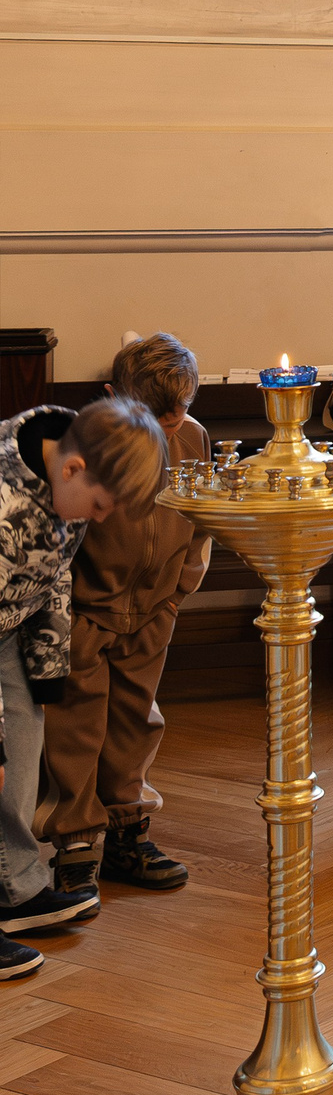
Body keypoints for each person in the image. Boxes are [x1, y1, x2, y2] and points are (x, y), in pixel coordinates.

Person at [43, 334, 211, 902]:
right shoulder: (91, 446)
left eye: (181, 410)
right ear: (114, 396)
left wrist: (176, 592)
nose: (169, 425)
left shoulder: (193, 439)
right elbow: (60, 538)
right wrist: (67, 613)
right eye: (154, 413)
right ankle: (74, 844)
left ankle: (125, 833)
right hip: (88, 614)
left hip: (153, 610)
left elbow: (201, 515)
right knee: (77, 730)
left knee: (136, 722)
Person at [0, 394, 166, 964]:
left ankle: (14, 888)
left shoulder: (70, 473)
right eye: (98, 506)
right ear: (72, 469)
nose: (97, 519)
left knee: (20, 757)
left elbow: (52, 578)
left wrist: (48, 672)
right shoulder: (3, 505)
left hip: (7, 625)